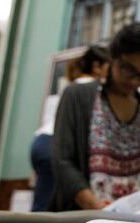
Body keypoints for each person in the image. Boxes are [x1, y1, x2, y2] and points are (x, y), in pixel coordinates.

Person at [51, 23, 140, 210]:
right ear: (112, 59)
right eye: (128, 69)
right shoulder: (77, 96)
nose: (134, 80)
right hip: (85, 220)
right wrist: (99, 210)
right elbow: (63, 161)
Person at [31, 45, 110, 211]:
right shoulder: (91, 87)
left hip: (41, 142)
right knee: (55, 205)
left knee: (44, 200)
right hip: (54, 144)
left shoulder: (72, 83)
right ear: (97, 66)